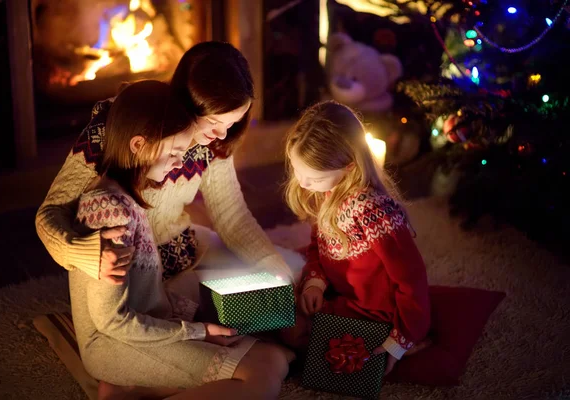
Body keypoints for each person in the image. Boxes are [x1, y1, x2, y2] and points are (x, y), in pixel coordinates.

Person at [71, 80, 292, 400]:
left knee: (276, 357)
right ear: (138, 145)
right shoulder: (108, 211)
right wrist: (199, 331)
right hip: (116, 344)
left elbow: (147, 296)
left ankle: (134, 389)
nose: (180, 163)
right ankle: (128, 384)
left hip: (153, 323)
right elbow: (113, 323)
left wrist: (199, 320)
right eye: (175, 152)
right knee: (261, 375)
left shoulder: (131, 198)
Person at [35, 40, 303, 292]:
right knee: (216, 312)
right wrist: (82, 251)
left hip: (180, 247)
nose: (222, 134)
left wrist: (272, 266)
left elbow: (231, 215)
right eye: (213, 123)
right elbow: (52, 212)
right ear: (188, 101)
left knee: (287, 274)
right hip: (128, 265)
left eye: (231, 124)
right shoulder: (121, 123)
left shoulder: (215, 142)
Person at [280, 100, 430, 375]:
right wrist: (314, 283)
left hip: (373, 315)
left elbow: (412, 280)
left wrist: (398, 343)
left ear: (349, 166)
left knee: (290, 331)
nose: (302, 183)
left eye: (312, 177)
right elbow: (319, 247)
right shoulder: (331, 194)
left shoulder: (376, 215)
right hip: (341, 297)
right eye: (297, 170)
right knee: (276, 307)